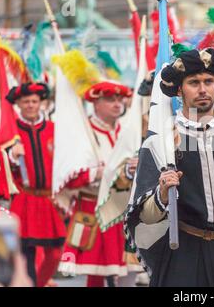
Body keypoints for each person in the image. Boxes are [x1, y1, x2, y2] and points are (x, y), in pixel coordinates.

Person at [125, 48, 214, 287]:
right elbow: (143, 215)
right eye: (194, 82)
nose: (203, 89)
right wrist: (162, 194)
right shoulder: (159, 142)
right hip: (184, 257)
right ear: (178, 90)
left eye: (209, 81)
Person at [58, 81, 134, 287]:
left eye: (120, 99)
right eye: (110, 99)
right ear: (95, 104)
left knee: (129, 269)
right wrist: (97, 172)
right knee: (97, 273)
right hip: (92, 207)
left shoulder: (127, 131)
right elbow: (66, 176)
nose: (117, 103)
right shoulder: (82, 133)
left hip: (124, 207)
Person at [4, 83, 66, 287]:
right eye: (26, 102)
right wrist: (11, 155)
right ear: (18, 104)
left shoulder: (54, 129)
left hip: (49, 199)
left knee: (56, 252)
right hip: (24, 199)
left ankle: (38, 283)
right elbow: (0, 162)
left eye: (34, 101)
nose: (30, 105)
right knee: (26, 253)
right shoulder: (10, 132)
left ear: (42, 103)